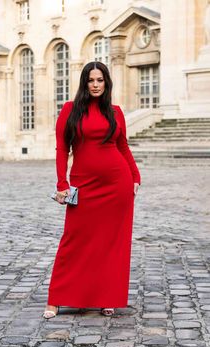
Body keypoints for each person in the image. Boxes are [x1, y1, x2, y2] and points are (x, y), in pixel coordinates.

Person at [43, 61, 141, 319]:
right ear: (84, 83)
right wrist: (61, 183)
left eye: (100, 80)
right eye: (91, 80)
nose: (96, 85)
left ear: (107, 83)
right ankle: (56, 299)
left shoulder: (116, 112)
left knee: (111, 244)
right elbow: (63, 149)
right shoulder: (70, 110)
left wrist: (135, 176)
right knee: (73, 240)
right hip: (84, 185)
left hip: (116, 185)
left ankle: (106, 297)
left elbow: (123, 147)